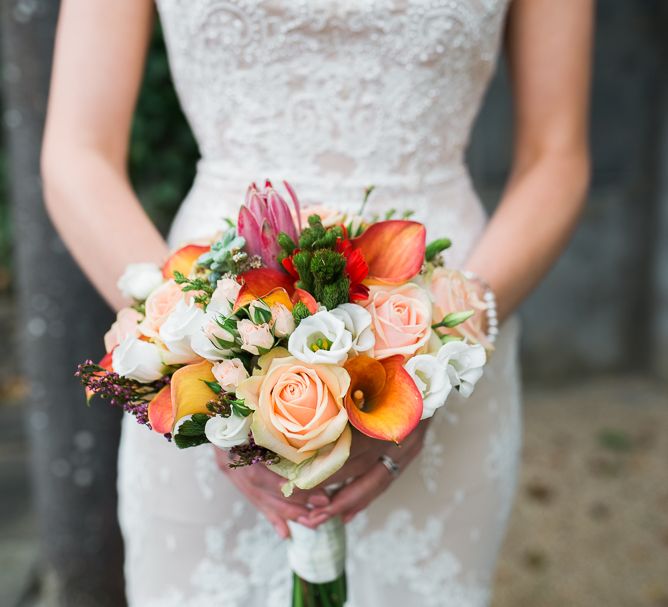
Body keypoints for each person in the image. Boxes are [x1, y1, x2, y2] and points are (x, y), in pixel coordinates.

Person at [41, 1, 592, 605]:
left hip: (445, 316)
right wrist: (187, 354)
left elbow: (554, 153)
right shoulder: (199, 346)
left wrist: (450, 344)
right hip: (215, 304)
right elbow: (79, 152)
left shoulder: (448, 339)